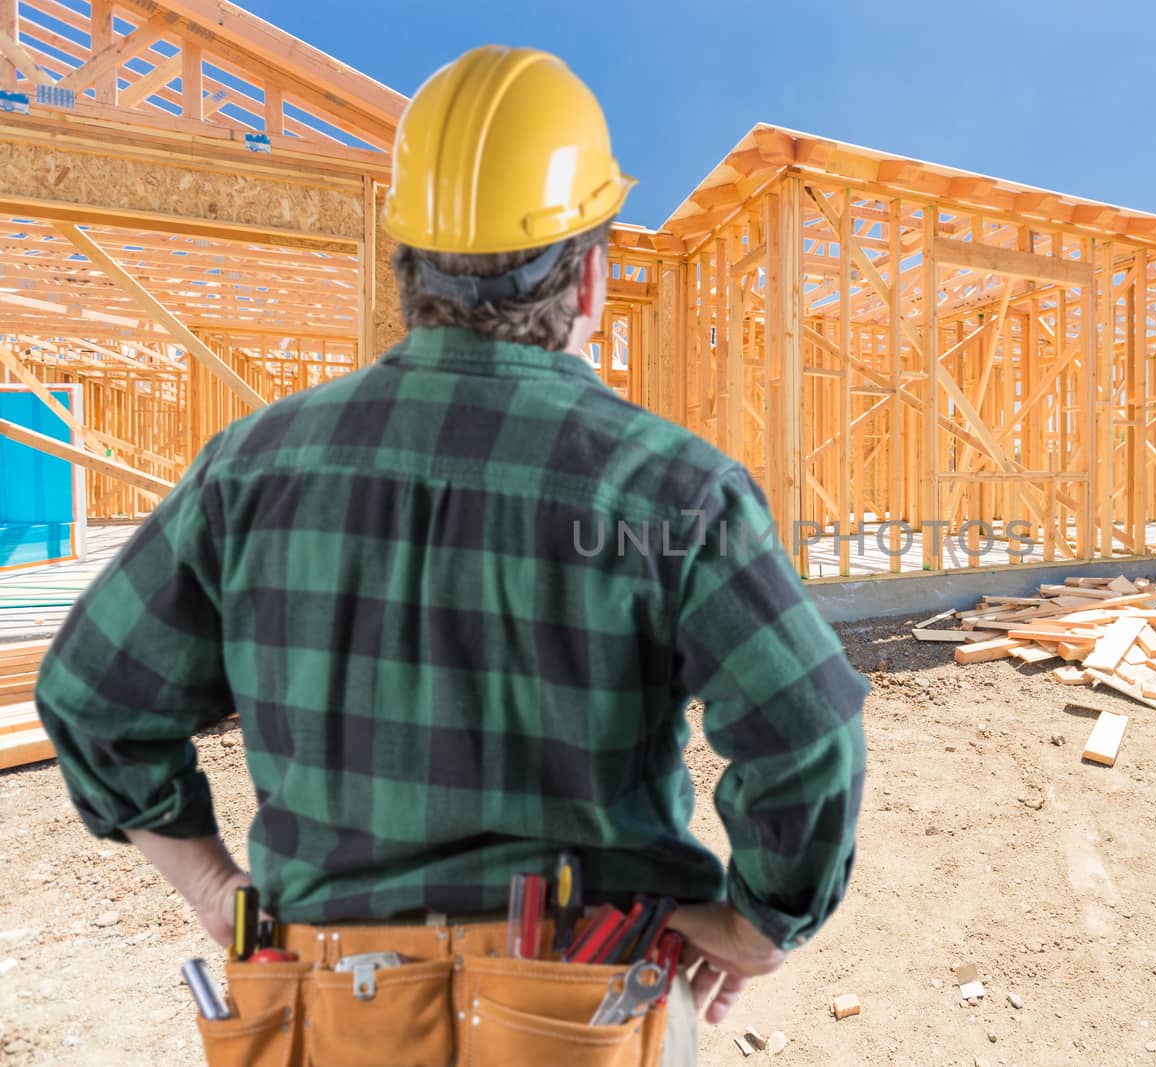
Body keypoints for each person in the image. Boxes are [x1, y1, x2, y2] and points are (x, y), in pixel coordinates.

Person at [35, 45, 867, 1066]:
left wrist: (214, 888)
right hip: (586, 1006)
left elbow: (91, 698)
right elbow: (808, 729)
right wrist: (757, 920)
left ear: (408, 271)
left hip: (327, 1006)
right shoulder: (670, 490)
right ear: (594, 275)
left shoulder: (250, 471)